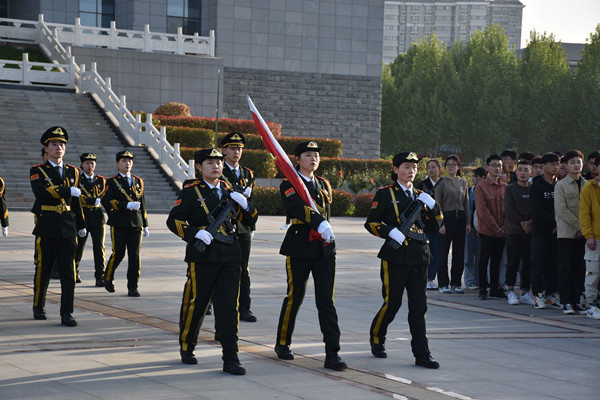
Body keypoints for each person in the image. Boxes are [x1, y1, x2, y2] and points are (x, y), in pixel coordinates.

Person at [166, 148, 257, 375]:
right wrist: (194, 233)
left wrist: (246, 205)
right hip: (203, 255)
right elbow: (173, 221)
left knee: (229, 307)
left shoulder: (230, 191)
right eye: (210, 162)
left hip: (230, 255)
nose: (216, 166)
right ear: (199, 167)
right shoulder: (191, 192)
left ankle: (231, 357)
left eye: (218, 162)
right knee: (197, 303)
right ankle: (187, 345)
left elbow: (251, 219)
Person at [365, 152, 443, 369]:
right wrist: (389, 231)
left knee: (419, 307)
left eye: (414, 167)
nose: (411, 171)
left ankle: (422, 353)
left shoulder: (421, 196)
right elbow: (371, 223)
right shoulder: (386, 194)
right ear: (396, 169)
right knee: (392, 303)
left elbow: (436, 224)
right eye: (407, 167)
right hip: (396, 256)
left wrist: (433, 205)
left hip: (420, 255)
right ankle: (377, 337)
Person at [274, 141, 347, 371]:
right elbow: (297, 208)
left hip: (324, 247)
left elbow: (327, 213)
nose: (313, 158)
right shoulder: (289, 184)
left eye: (316, 155)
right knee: (295, 295)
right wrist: (319, 223)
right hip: (300, 245)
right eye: (308, 155)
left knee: (326, 300)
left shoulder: (323, 184)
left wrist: (325, 229)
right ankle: (283, 342)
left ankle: (332, 352)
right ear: (297, 160)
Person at [30, 126, 86, 326]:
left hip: (68, 226)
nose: (59, 147)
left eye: (62, 144)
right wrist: (66, 190)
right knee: (43, 269)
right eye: (54, 144)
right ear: (46, 148)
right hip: (47, 225)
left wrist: (81, 224)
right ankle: (38, 306)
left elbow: (76, 202)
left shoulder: (73, 171)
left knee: (69, 272)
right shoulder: (38, 171)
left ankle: (67, 313)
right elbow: (41, 193)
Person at [220, 132, 257, 322]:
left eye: (239, 149)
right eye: (233, 148)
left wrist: (252, 225)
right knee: (218, 266)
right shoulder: (217, 170)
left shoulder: (248, 174)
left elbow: (251, 204)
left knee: (243, 269)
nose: (236, 152)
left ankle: (244, 308)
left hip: (242, 227)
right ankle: (210, 302)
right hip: (221, 226)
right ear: (224, 150)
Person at [103, 150, 149, 297]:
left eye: (129, 161)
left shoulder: (138, 181)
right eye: (124, 161)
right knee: (118, 254)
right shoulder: (111, 182)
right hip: (119, 223)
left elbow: (142, 203)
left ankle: (133, 287)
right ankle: (107, 278)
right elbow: (108, 202)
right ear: (117, 164)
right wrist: (126, 205)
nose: (127, 163)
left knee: (134, 256)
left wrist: (145, 224)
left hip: (136, 223)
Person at [554, 150, 587, 314]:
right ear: (566, 165)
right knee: (566, 268)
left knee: (580, 269)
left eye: (579, 162)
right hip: (567, 233)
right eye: (572, 162)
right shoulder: (560, 185)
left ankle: (577, 300)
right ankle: (565, 301)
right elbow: (561, 210)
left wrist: (585, 229)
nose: (576, 165)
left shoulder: (588, 185)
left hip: (584, 234)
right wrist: (579, 226)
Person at [434, 155, 470, 294]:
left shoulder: (463, 182)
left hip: (460, 218)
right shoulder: (441, 182)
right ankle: (443, 284)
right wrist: (440, 223)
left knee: (459, 253)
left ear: (458, 167)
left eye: (454, 164)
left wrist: (468, 222)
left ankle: (456, 283)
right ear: (445, 167)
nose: (451, 167)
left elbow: (466, 204)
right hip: (446, 218)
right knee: (443, 253)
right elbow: (437, 205)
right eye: (448, 164)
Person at [530, 152, 561, 309]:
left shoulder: (559, 185)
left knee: (552, 264)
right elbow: (538, 209)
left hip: (558, 231)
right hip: (541, 231)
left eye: (557, 164)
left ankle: (550, 295)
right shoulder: (537, 186)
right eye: (552, 164)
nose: (555, 167)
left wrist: (559, 225)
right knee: (538, 263)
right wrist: (553, 224)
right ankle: (538, 296)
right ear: (544, 166)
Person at [474, 155, 507, 300]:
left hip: (502, 230)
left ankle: (494, 288)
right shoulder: (480, 187)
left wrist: (503, 227)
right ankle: (482, 288)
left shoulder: (505, 187)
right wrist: (496, 228)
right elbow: (482, 211)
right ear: (487, 167)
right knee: (484, 260)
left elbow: (508, 210)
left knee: (496, 260)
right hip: (487, 230)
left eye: (499, 165)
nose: (497, 168)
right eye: (494, 165)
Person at [503, 160, 534, 305]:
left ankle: (525, 292)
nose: (523, 173)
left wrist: (530, 222)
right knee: (513, 262)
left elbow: (537, 208)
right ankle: (510, 290)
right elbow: (509, 209)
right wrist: (523, 222)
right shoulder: (510, 189)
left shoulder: (533, 189)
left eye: (526, 170)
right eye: (520, 170)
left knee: (528, 263)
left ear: (530, 172)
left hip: (530, 232)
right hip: (514, 231)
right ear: (516, 172)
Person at [74, 153, 107, 287]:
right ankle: (74, 272)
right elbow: (76, 197)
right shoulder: (77, 179)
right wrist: (90, 201)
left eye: (92, 163)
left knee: (99, 248)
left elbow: (105, 199)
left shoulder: (101, 181)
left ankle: (100, 276)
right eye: (87, 163)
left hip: (98, 217)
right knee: (78, 247)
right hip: (82, 216)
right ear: (82, 165)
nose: (90, 165)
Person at [578, 156, 600, 319]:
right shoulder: (589, 187)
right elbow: (584, 214)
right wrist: (589, 235)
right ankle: (591, 304)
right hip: (595, 238)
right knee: (593, 273)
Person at [417, 159, 443, 290]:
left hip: (438, 225)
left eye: (434, 167)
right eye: (429, 168)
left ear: (439, 169)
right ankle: (423, 278)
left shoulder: (443, 183)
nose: (431, 170)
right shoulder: (422, 185)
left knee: (435, 254)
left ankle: (431, 279)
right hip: (425, 225)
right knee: (424, 253)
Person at [464, 167, 486, 290]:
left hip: (483, 228)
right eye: (473, 176)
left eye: (476, 176)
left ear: (483, 178)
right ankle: (470, 280)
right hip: (469, 227)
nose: (473, 179)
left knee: (480, 255)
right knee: (468, 255)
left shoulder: (486, 191)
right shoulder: (469, 191)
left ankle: (479, 280)